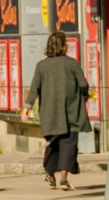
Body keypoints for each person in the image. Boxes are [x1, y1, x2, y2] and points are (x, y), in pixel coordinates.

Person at [29, 31, 89, 191]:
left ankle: (50, 176)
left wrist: (27, 107)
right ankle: (63, 179)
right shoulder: (72, 63)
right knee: (69, 145)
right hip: (71, 112)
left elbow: (34, 88)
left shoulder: (41, 66)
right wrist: (85, 95)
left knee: (52, 145)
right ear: (63, 46)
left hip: (50, 113)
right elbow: (83, 84)